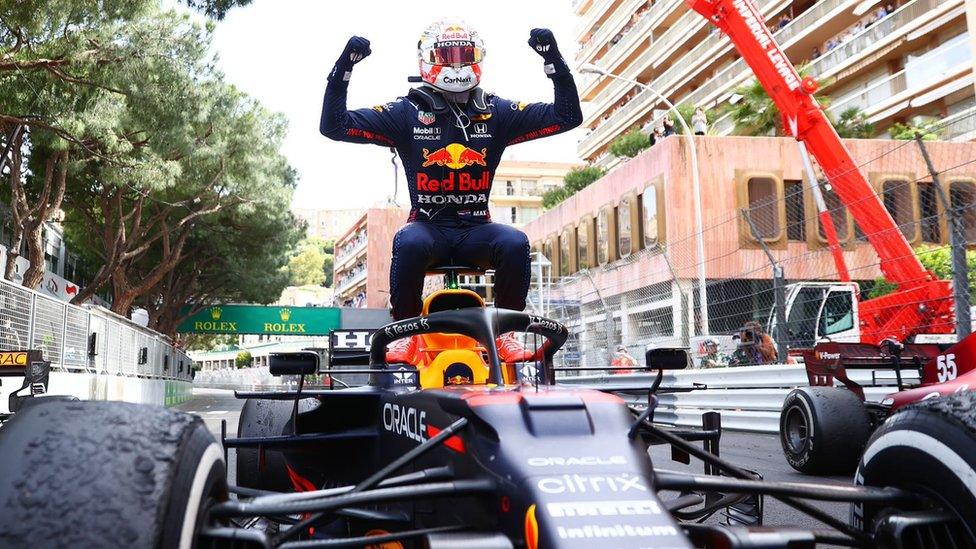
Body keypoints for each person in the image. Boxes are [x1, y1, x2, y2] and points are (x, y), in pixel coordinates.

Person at [320, 21, 582, 362]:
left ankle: (505, 336)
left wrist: (555, 63)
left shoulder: (496, 111)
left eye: (465, 55)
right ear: (428, 60)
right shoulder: (406, 112)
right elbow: (334, 126)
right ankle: (407, 334)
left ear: (478, 59)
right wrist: (344, 68)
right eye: (448, 55)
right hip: (427, 229)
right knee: (408, 240)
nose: (457, 64)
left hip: (476, 229)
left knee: (515, 242)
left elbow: (567, 117)